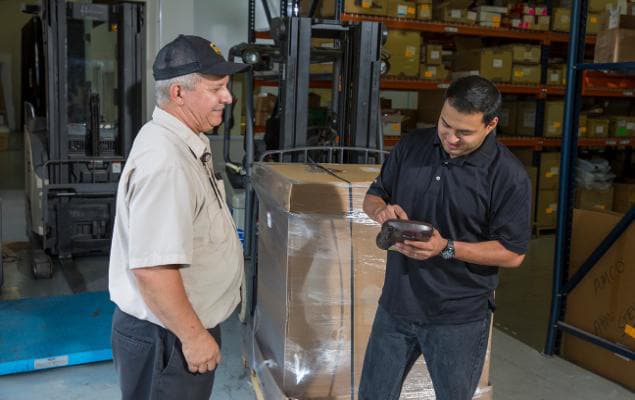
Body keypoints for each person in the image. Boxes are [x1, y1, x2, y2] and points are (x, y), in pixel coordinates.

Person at [358, 76, 531, 400]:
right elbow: (374, 195)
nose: (451, 138)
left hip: (457, 318)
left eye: (464, 132)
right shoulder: (412, 146)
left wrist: (446, 247)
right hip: (396, 305)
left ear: (491, 124)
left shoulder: (508, 176)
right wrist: (381, 212)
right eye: (445, 125)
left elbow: (512, 253)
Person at [108, 35, 248, 400]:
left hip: (175, 329)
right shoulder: (166, 162)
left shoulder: (183, 143)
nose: (228, 98)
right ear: (178, 93)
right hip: (168, 336)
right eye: (216, 88)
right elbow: (153, 270)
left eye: (227, 87)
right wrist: (194, 337)